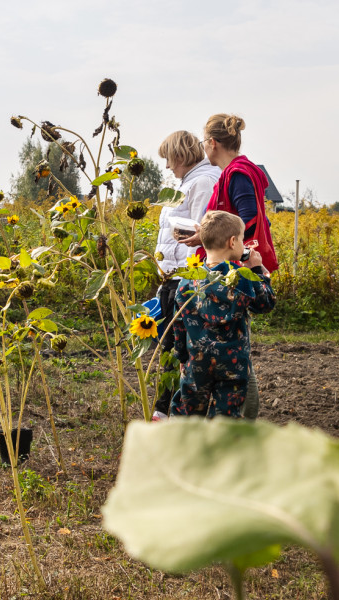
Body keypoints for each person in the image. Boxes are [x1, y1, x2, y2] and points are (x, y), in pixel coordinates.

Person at [179, 113, 279, 419]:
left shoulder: (236, 174)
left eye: (203, 144)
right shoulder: (236, 173)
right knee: (230, 342)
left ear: (211, 144)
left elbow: (247, 221)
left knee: (231, 347)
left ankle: (244, 417)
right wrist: (204, 236)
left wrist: (237, 255)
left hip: (233, 270)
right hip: (230, 266)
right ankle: (235, 419)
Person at [171, 211, 275, 418]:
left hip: (196, 362)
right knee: (227, 417)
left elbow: (179, 324)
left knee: (190, 413)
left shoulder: (187, 281)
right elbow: (265, 304)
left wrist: (182, 356)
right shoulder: (241, 279)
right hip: (233, 365)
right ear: (233, 241)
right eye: (243, 239)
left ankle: (186, 447)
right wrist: (256, 271)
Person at [151, 131, 221, 421]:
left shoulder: (203, 182)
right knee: (168, 346)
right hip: (172, 277)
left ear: (180, 155)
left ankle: (167, 410)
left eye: (168, 158)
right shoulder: (187, 182)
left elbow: (204, 230)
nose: (167, 166)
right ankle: (166, 408)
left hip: (186, 279)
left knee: (176, 347)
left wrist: (191, 278)